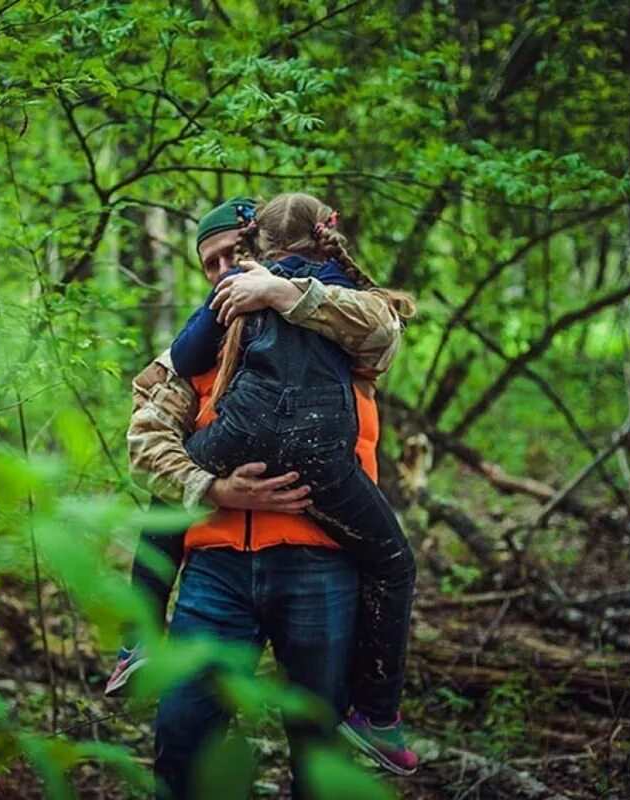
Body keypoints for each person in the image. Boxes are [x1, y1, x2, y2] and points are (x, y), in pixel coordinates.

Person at [120, 197, 417, 798]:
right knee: (183, 738)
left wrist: (286, 296)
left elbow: (383, 335)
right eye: (211, 263)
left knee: (318, 746)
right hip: (216, 571)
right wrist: (213, 488)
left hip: (319, 561)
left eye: (236, 252)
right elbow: (145, 437)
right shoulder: (197, 349)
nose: (226, 268)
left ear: (264, 251)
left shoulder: (340, 316)